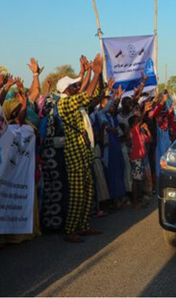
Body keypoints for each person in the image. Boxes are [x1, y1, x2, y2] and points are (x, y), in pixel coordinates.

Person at [57, 53, 103, 243]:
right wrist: (95, 74)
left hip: (83, 150)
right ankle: (70, 230)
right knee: (77, 194)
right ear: (67, 90)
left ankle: (83, 226)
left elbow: (86, 92)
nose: (77, 86)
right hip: (74, 153)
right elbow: (86, 94)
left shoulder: (71, 99)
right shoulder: (65, 103)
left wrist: (89, 74)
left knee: (87, 190)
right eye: (74, 85)